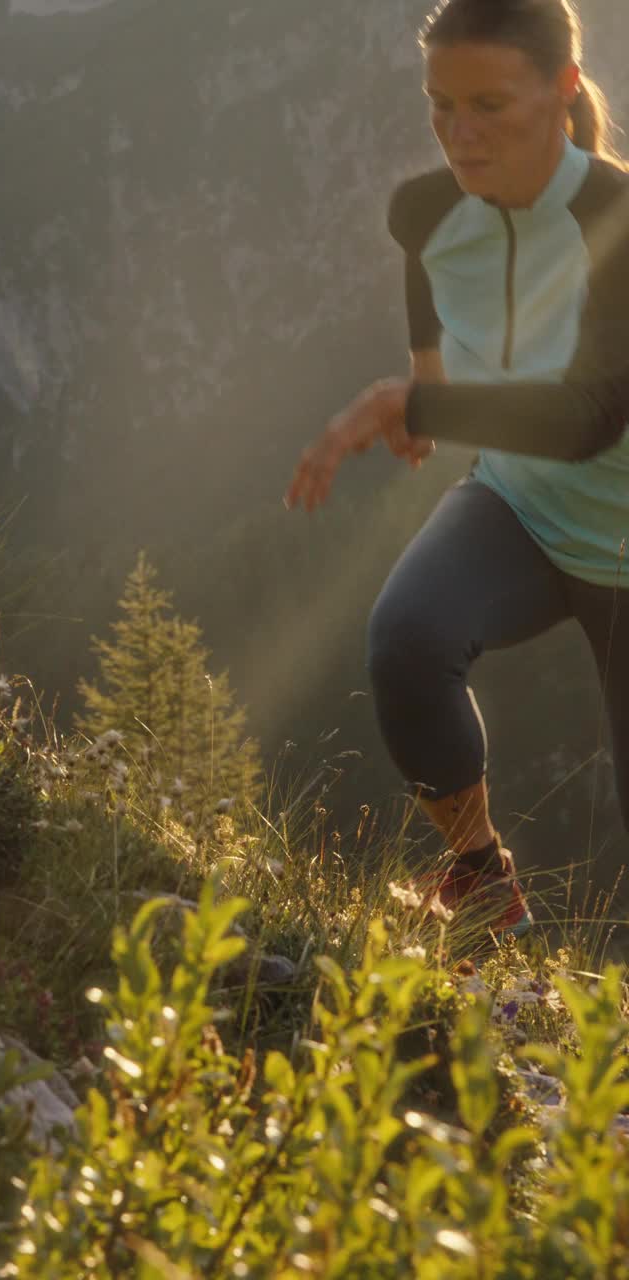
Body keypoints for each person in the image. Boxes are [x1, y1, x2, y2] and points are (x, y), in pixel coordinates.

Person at [284, 0, 629, 940]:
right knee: (407, 641)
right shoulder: (424, 212)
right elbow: (430, 341)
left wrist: (409, 405)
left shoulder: (618, 220)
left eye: (487, 105)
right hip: (521, 509)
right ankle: (481, 877)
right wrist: (421, 402)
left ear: (562, 91)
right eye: (440, 105)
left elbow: (591, 416)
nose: (459, 135)